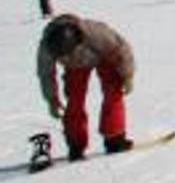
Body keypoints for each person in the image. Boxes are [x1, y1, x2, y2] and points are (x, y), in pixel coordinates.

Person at [37, 14, 135, 160]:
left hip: (104, 56)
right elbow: (46, 73)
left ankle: (115, 138)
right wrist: (52, 99)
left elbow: (122, 49)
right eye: (63, 56)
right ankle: (76, 145)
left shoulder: (97, 33)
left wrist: (127, 76)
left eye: (71, 53)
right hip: (75, 68)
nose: (68, 57)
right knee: (74, 100)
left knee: (113, 90)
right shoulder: (46, 47)